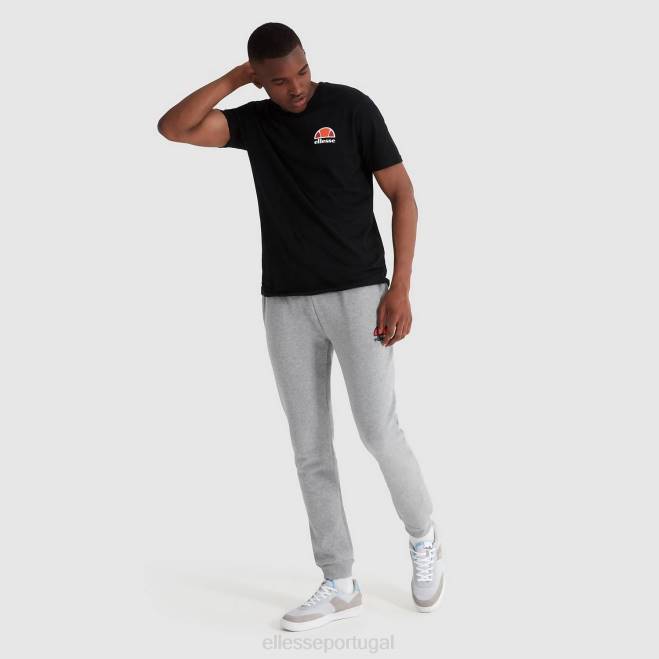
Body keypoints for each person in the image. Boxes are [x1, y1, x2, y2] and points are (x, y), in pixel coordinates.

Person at [157, 21, 444, 631]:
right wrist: (237, 78)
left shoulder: (351, 107)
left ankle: (423, 536)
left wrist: (400, 288)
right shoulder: (255, 123)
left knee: (378, 431)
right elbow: (174, 128)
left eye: (303, 71)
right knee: (309, 447)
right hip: (286, 303)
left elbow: (402, 193)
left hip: (360, 295)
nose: (297, 87)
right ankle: (339, 580)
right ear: (261, 81)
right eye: (280, 80)